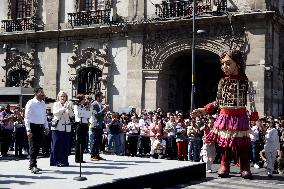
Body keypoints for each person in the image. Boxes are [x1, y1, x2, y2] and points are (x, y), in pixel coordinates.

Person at [191, 49, 252, 179]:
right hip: (224, 116)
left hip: (239, 115)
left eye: (228, 63)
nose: (224, 67)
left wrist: (254, 113)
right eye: (223, 64)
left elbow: (251, 99)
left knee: (242, 144)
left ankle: (245, 166)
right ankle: (224, 164)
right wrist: (204, 109)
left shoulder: (245, 81)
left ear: (238, 64)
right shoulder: (222, 81)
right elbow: (218, 101)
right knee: (225, 144)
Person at [24, 87, 49, 174]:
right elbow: (26, 118)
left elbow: (44, 116)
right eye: (41, 92)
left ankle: (34, 164)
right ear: (36, 93)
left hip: (41, 127)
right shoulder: (30, 103)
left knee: (38, 147)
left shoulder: (42, 103)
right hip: (33, 127)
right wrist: (28, 130)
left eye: (43, 92)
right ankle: (32, 166)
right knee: (33, 147)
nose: (43, 94)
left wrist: (46, 127)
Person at [50, 91, 74, 167]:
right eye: (61, 96)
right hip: (57, 127)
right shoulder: (56, 104)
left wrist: (69, 109)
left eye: (64, 96)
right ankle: (55, 161)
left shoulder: (68, 105)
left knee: (65, 145)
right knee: (56, 144)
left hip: (66, 128)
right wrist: (63, 108)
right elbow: (55, 113)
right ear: (58, 97)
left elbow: (72, 116)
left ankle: (64, 161)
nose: (63, 98)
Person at [89, 92, 108, 161]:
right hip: (95, 125)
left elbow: (101, 115)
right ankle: (92, 155)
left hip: (100, 125)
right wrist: (103, 109)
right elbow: (96, 114)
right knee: (95, 140)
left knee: (99, 141)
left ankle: (97, 154)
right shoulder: (93, 104)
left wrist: (105, 111)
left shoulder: (100, 104)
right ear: (97, 97)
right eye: (101, 96)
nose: (102, 98)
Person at [74, 94, 90, 163]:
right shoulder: (76, 106)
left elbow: (88, 115)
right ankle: (77, 158)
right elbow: (78, 114)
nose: (84, 100)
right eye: (83, 99)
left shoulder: (83, 106)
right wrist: (85, 113)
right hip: (79, 124)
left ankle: (81, 157)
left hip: (84, 124)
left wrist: (85, 112)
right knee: (78, 142)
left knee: (83, 142)